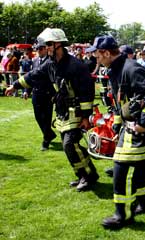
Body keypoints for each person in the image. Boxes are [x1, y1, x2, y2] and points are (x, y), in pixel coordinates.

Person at [5, 28, 99, 191]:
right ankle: (86, 175)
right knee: (68, 145)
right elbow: (33, 75)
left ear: (58, 44)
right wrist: (15, 85)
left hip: (76, 111)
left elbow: (87, 92)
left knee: (70, 144)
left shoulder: (76, 66)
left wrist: (86, 117)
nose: (45, 47)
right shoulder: (50, 64)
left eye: (48, 44)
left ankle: (87, 176)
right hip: (62, 111)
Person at [87, 35, 145, 229]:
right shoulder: (116, 70)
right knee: (140, 169)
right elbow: (124, 102)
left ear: (106, 53)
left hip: (138, 129)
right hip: (130, 127)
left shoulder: (131, 68)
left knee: (122, 169)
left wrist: (144, 123)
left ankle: (122, 215)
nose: (94, 58)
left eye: (96, 54)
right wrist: (117, 123)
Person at [24, 37, 57, 151]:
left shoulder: (51, 61)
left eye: (41, 48)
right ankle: (50, 134)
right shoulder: (35, 61)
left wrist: (55, 94)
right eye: (38, 48)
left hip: (48, 94)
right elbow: (32, 77)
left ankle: (46, 141)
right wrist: (27, 91)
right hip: (37, 93)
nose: (39, 50)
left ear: (46, 49)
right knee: (38, 117)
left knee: (47, 118)